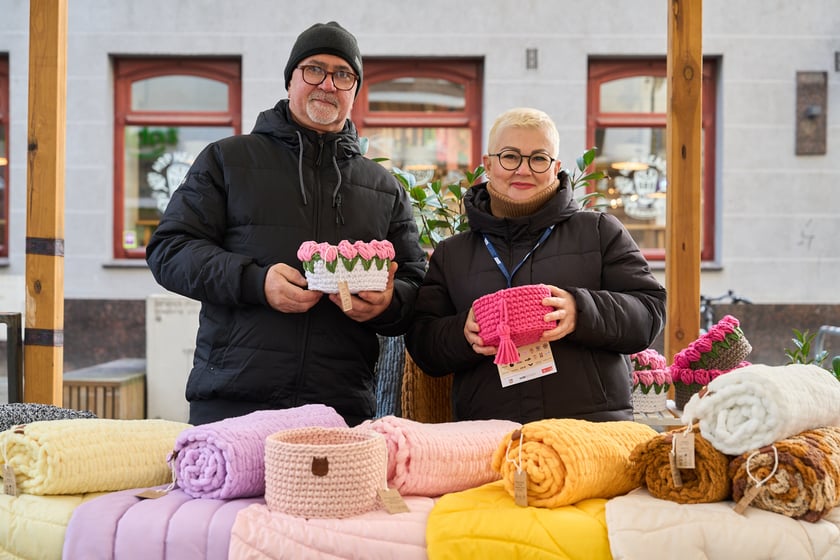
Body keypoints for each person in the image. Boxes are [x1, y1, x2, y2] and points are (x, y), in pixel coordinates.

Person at [146, 21, 427, 426]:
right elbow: (169, 250)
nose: (327, 84)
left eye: (343, 75)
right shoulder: (228, 161)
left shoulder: (384, 188)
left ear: (354, 91)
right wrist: (255, 282)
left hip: (338, 408)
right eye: (314, 69)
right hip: (232, 402)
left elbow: (415, 284)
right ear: (290, 80)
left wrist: (388, 303)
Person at [405, 107, 666, 424]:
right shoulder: (453, 254)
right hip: (490, 432)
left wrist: (580, 311)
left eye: (538, 158)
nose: (523, 170)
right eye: (510, 157)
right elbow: (423, 343)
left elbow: (649, 313)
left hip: (589, 430)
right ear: (488, 164)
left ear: (555, 167)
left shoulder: (599, 232)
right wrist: (463, 333)